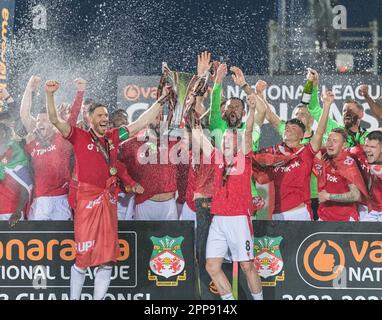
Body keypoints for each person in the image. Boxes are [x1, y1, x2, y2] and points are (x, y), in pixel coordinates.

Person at [45, 79, 165, 300]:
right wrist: (50, 95)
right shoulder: (78, 135)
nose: (104, 118)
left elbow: (140, 122)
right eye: (100, 115)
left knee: (108, 257)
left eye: (106, 115)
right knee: (82, 257)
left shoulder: (112, 137)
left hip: (108, 200)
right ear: (90, 119)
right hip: (87, 201)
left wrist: (160, 100)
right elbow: (54, 119)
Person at [197, 93, 262, 301]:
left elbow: (249, 130)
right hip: (218, 218)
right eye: (223, 140)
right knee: (212, 266)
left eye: (228, 140)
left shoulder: (244, 158)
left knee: (247, 266)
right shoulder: (217, 159)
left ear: (238, 143)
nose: (224, 142)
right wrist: (188, 108)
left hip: (238, 218)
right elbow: (198, 135)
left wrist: (252, 110)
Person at [253, 89, 333, 221]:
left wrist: (327, 106)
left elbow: (319, 132)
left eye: (294, 128)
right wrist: (259, 96)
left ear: (301, 135)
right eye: (287, 128)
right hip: (276, 212)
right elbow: (270, 117)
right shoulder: (275, 152)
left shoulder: (307, 151)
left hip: (301, 210)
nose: (289, 129)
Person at [20, 76, 85, 220]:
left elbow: (73, 117)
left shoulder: (63, 139)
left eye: (44, 120)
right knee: (37, 240)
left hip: (61, 198)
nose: (39, 123)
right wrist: (29, 88)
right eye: (38, 120)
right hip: (39, 200)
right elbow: (24, 115)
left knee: (61, 240)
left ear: (53, 123)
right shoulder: (33, 140)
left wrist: (80, 92)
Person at [266, 95, 323, 220]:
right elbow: (269, 114)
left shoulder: (321, 140)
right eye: (296, 114)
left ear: (311, 120)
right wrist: (258, 93)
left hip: (318, 197)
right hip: (292, 202)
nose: (298, 116)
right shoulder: (288, 132)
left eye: (302, 114)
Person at [315, 128, 367, 221]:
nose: (330, 144)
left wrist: (328, 196)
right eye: (328, 140)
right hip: (324, 216)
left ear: (344, 145)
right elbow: (315, 145)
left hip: (344, 220)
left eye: (335, 141)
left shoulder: (348, 165)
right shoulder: (326, 156)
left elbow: (356, 195)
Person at [307, 68, 369, 147]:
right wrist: (312, 84)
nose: (347, 113)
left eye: (351, 110)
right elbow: (313, 108)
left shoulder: (369, 137)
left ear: (361, 114)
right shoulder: (334, 129)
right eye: (344, 111)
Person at [0, 122, 33, 225]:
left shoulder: (14, 152)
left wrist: (17, 211)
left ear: (4, 134)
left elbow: (25, 185)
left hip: (10, 213)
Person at [350, 131, 382, 221]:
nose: (368, 150)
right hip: (367, 209)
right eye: (366, 146)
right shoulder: (358, 152)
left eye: (372, 147)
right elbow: (341, 150)